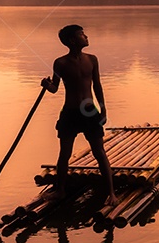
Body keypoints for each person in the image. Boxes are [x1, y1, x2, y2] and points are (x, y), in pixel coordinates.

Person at [41, 24, 118, 205]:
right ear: (72, 40)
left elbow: (97, 85)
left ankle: (112, 194)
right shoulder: (60, 63)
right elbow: (54, 88)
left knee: (99, 152)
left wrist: (103, 108)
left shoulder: (92, 60)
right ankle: (60, 190)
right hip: (70, 112)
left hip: (90, 112)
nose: (86, 37)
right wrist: (46, 84)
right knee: (64, 153)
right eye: (82, 35)